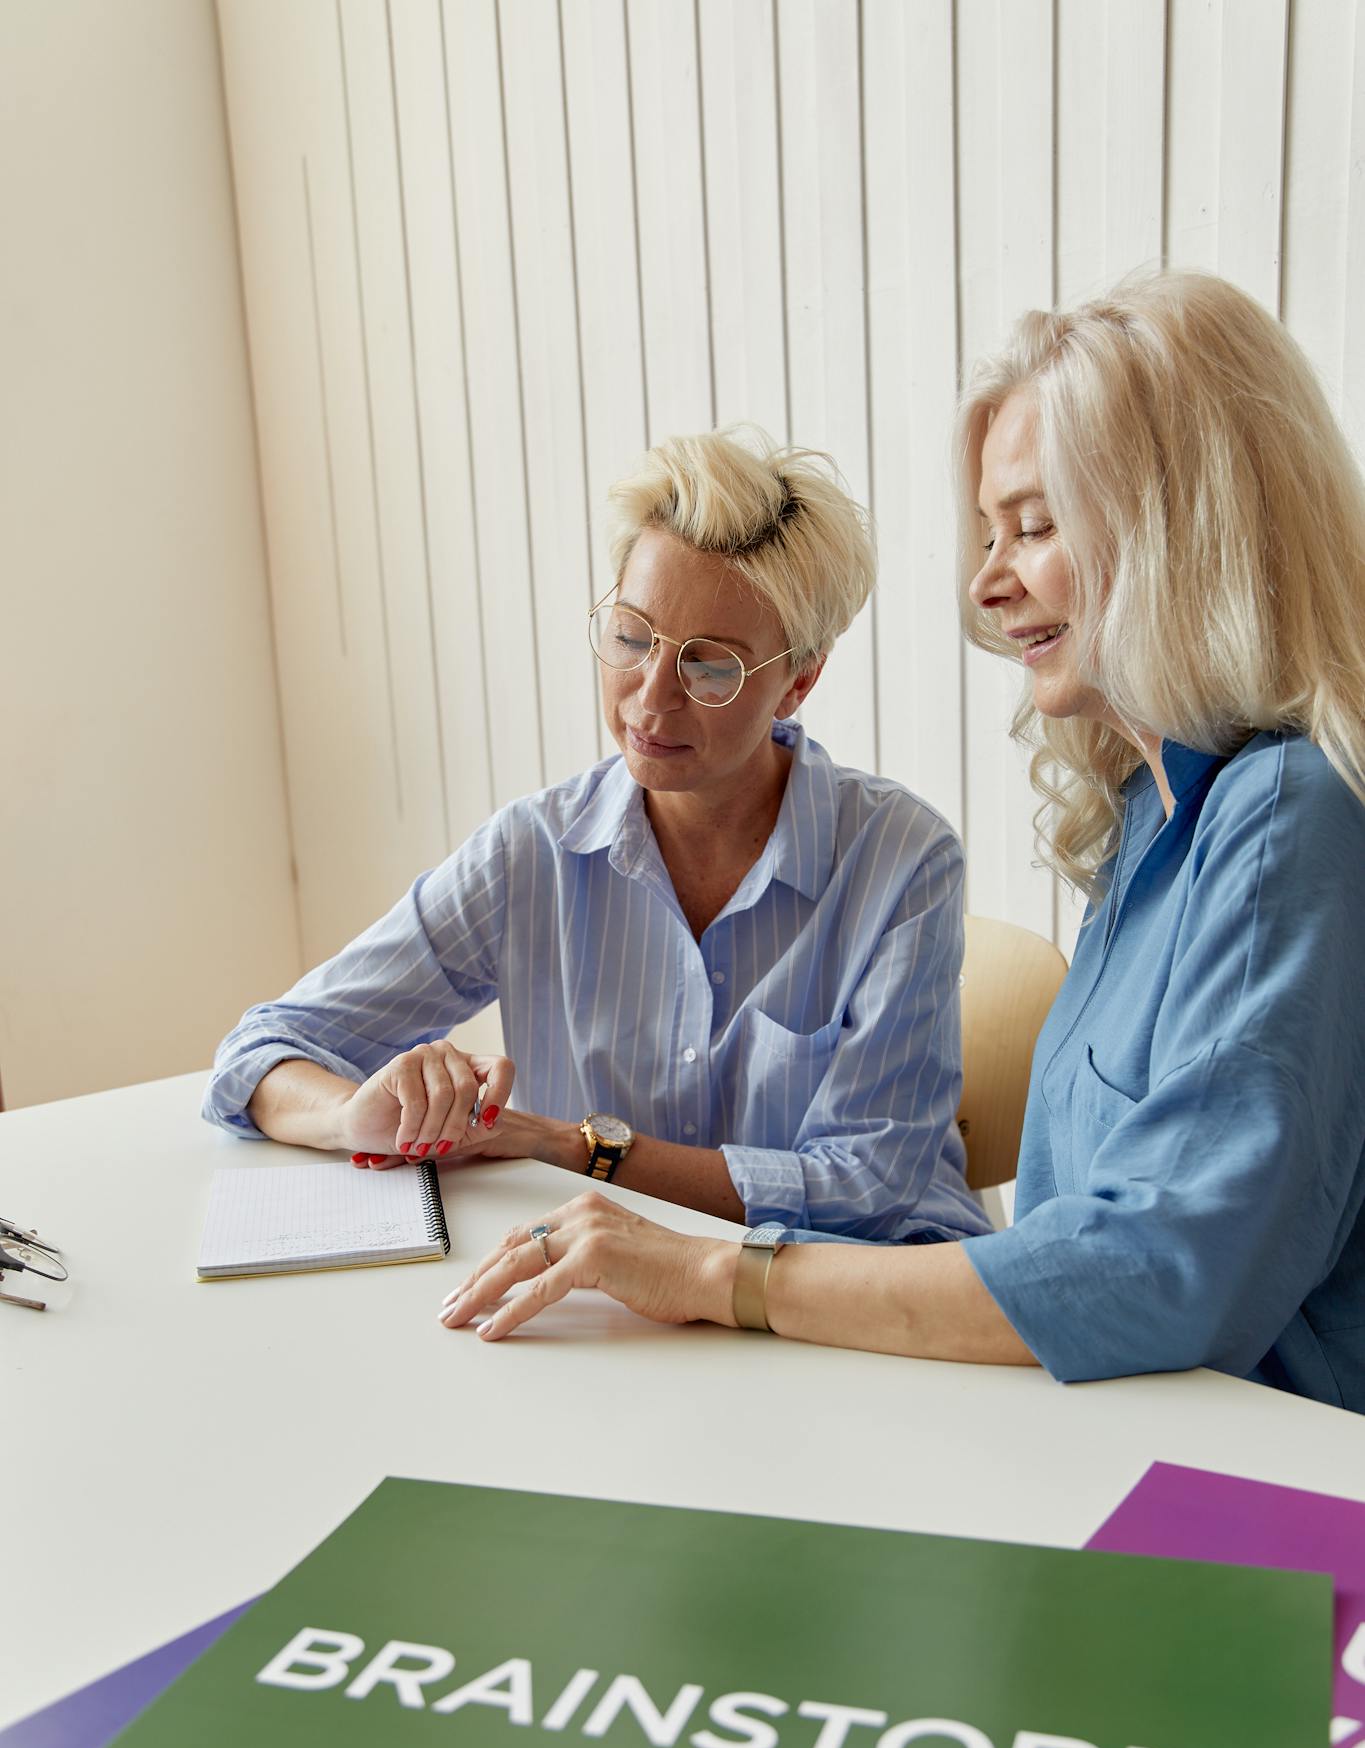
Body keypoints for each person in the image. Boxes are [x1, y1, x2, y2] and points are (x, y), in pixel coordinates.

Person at [441, 273, 1365, 1415]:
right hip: (1104, 1427)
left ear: (1182, 525)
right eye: (988, 532)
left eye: (1032, 526)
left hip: (1256, 1479)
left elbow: (1160, 1272)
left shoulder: (1290, 815)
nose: (985, 583)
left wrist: (710, 1271)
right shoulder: (1154, 815)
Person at [205, 427, 986, 1246]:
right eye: (630, 637)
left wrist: (569, 1148)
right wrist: (352, 1116)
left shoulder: (901, 859)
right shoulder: (532, 851)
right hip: (620, 1309)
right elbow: (261, 1050)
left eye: (709, 665)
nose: (650, 698)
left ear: (798, 680)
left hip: (853, 1301)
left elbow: (865, 1189)